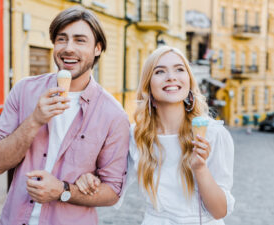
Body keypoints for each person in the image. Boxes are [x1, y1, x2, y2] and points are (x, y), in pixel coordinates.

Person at [0, 6, 130, 225]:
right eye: (62, 39)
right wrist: (35, 120)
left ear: (97, 49)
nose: (68, 48)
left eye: (80, 40)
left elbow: (112, 191)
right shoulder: (24, 91)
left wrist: (62, 190)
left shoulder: (113, 114)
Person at [75, 46, 235, 225]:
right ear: (148, 86)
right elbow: (112, 183)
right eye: (160, 71)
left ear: (189, 80)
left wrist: (200, 169)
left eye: (179, 69)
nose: (171, 77)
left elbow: (220, 211)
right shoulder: (136, 136)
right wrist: (89, 179)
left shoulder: (213, 134)